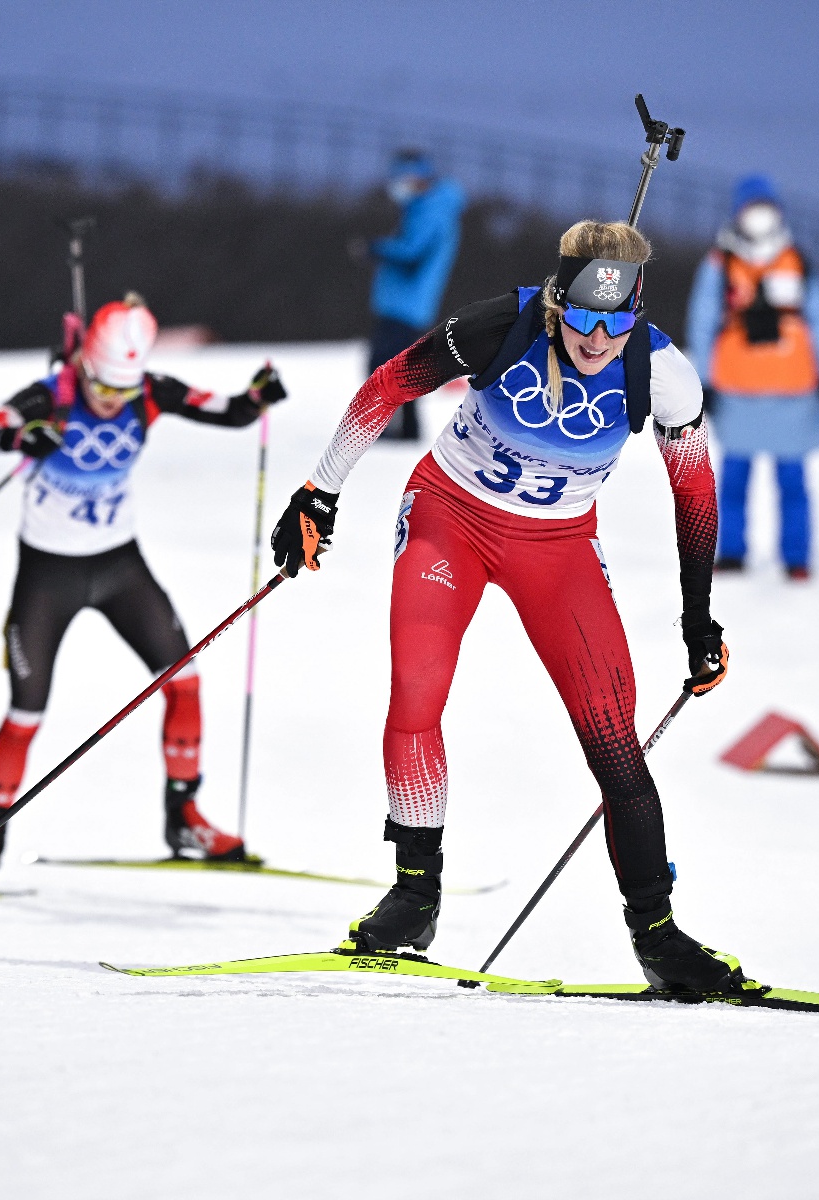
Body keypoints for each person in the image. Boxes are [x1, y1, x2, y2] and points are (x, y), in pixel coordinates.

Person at [271, 219, 756, 996]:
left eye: (618, 321)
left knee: (614, 746)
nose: (598, 340)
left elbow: (693, 493)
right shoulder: (501, 323)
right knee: (417, 690)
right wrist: (317, 492)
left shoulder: (663, 373)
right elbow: (388, 385)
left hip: (556, 549)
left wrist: (698, 619)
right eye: (585, 318)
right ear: (559, 301)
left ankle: (658, 936)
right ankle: (413, 895)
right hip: (449, 520)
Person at [0, 293, 287, 890]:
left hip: (120, 566)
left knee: (185, 680)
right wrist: (18, 440)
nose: (110, 403)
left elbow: (230, 411)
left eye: (121, 395)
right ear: (84, 367)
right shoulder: (50, 396)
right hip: (48, 575)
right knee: (26, 710)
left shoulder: (151, 390)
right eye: (103, 389)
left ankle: (184, 818)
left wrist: (259, 395)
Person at [686, 174, 819, 580]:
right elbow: (702, 324)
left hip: (793, 388)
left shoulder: (797, 262)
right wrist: (705, 381)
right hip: (739, 388)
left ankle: (796, 557)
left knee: (790, 480)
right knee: (737, 477)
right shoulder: (721, 265)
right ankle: (737, 552)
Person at [353, 149, 465, 443]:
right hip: (406, 305)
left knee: (384, 366)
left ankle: (388, 429)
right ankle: (404, 430)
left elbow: (412, 253)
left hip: (406, 306)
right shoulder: (427, 209)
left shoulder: (432, 211)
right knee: (402, 367)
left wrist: (376, 248)